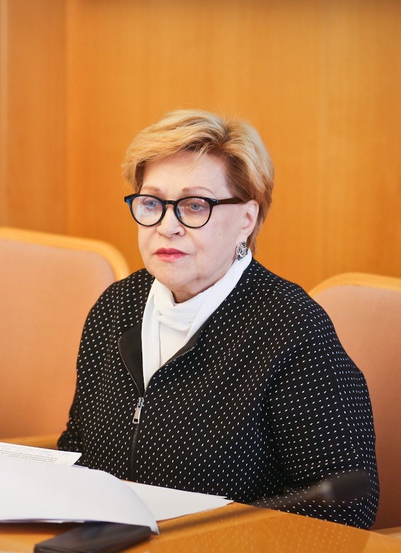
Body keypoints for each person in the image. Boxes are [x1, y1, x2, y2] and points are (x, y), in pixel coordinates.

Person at [57, 109, 378, 528]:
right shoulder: (117, 305)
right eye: (152, 203)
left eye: (194, 206)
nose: (167, 226)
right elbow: (78, 446)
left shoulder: (292, 328)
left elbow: (346, 506)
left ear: (247, 219)